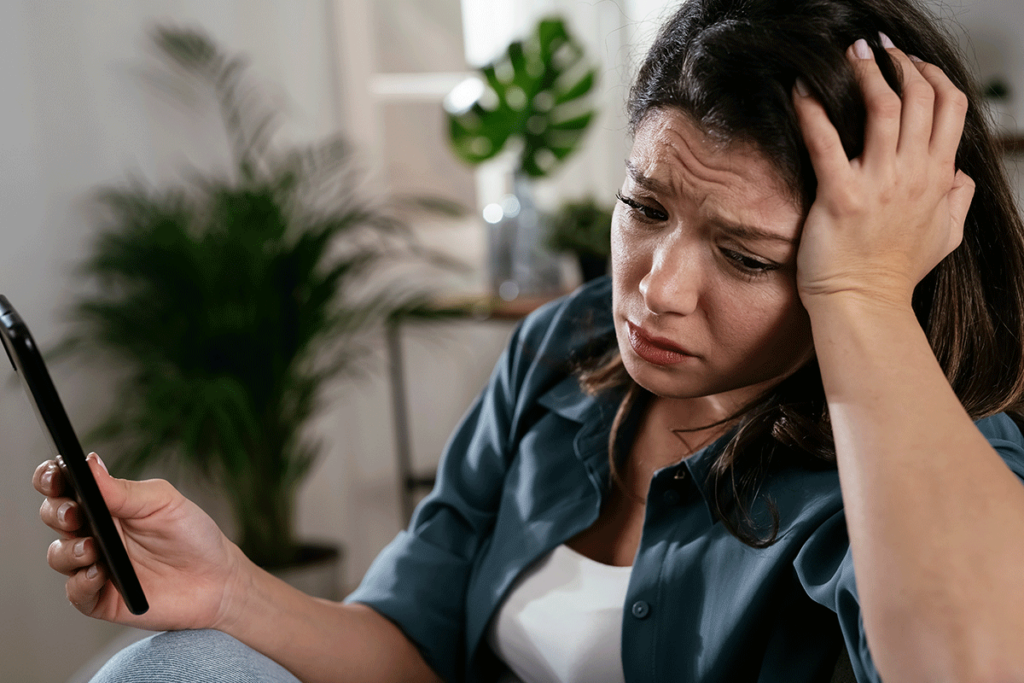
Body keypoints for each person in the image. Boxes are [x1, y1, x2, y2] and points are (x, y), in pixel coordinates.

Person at [33, 0, 1024, 681]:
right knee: (176, 660)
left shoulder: (932, 454)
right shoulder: (566, 347)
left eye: (749, 257)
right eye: (643, 205)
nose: (655, 286)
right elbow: (411, 645)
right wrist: (230, 586)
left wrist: (859, 294)